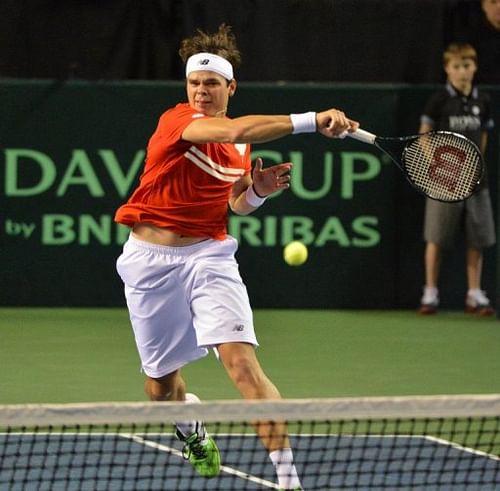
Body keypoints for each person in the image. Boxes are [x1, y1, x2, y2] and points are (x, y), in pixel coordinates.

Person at [114, 24, 359, 490]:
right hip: (150, 263)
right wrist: (311, 119)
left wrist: (259, 191)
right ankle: (190, 423)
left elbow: (236, 202)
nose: (201, 91)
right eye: (194, 83)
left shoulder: (241, 148)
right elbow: (235, 127)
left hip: (210, 256)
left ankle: (289, 482)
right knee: (160, 389)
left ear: (231, 87)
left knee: (243, 366)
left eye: (211, 83)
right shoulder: (179, 121)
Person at [418, 42, 495, 316]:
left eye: (467, 66)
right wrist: (438, 165)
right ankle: (430, 293)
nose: (462, 72)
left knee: (477, 238)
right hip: (444, 182)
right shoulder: (439, 100)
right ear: (447, 69)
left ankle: (474, 294)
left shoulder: (482, 100)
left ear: (474, 67)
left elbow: (482, 136)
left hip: (476, 181)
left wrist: (475, 164)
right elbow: (424, 135)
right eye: (456, 67)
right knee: (436, 238)